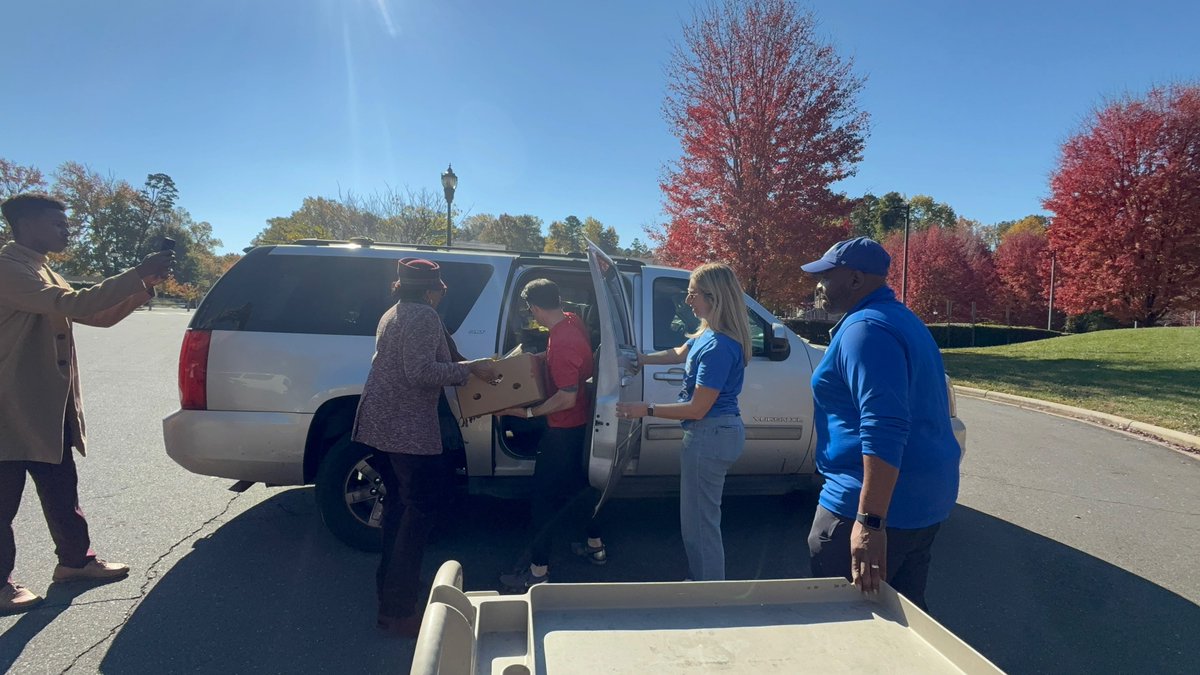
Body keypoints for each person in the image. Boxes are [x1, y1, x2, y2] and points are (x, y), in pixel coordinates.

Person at [0, 193, 175, 614]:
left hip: (44, 405)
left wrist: (143, 285)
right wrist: (137, 272)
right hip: (9, 405)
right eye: (57, 223)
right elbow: (72, 304)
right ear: (24, 224)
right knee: (3, 498)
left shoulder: (40, 268)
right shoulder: (8, 268)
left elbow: (96, 315)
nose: (66, 230)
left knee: (62, 488)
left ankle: (75, 563)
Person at [800, 236, 961, 611]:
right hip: (920, 505)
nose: (818, 285)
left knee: (844, 627)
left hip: (871, 508)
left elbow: (884, 425)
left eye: (826, 275)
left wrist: (870, 524)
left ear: (855, 280)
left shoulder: (866, 331)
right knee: (899, 623)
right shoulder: (901, 320)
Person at [352, 258, 496, 637]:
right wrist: (471, 369)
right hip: (405, 429)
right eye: (441, 287)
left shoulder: (393, 313)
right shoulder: (423, 317)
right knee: (417, 513)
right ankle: (397, 612)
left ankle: (389, 592)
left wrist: (471, 367)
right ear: (434, 289)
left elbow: (435, 359)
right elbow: (420, 372)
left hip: (379, 424)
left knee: (399, 509)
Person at [617, 263, 751, 581]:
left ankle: (707, 593)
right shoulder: (707, 335)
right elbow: (679, 352)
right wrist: (643, 359)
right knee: (698, 520)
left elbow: (697, 409)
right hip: (712, 434)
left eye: (692, 294)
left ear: (712, 297)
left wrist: (645, 410)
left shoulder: (718, 347)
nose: (687, 301)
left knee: (700, 525)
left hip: (710, 436)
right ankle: (702, 583)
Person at [497, 279, 603, 592]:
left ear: (534, 308)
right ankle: (595, 545)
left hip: (562, 428)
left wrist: (528, 413)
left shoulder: (563, 342)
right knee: (577, 488)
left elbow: (566, 396)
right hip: (580, 424)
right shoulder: (572, 321)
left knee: (543, 501)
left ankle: (538, 571)